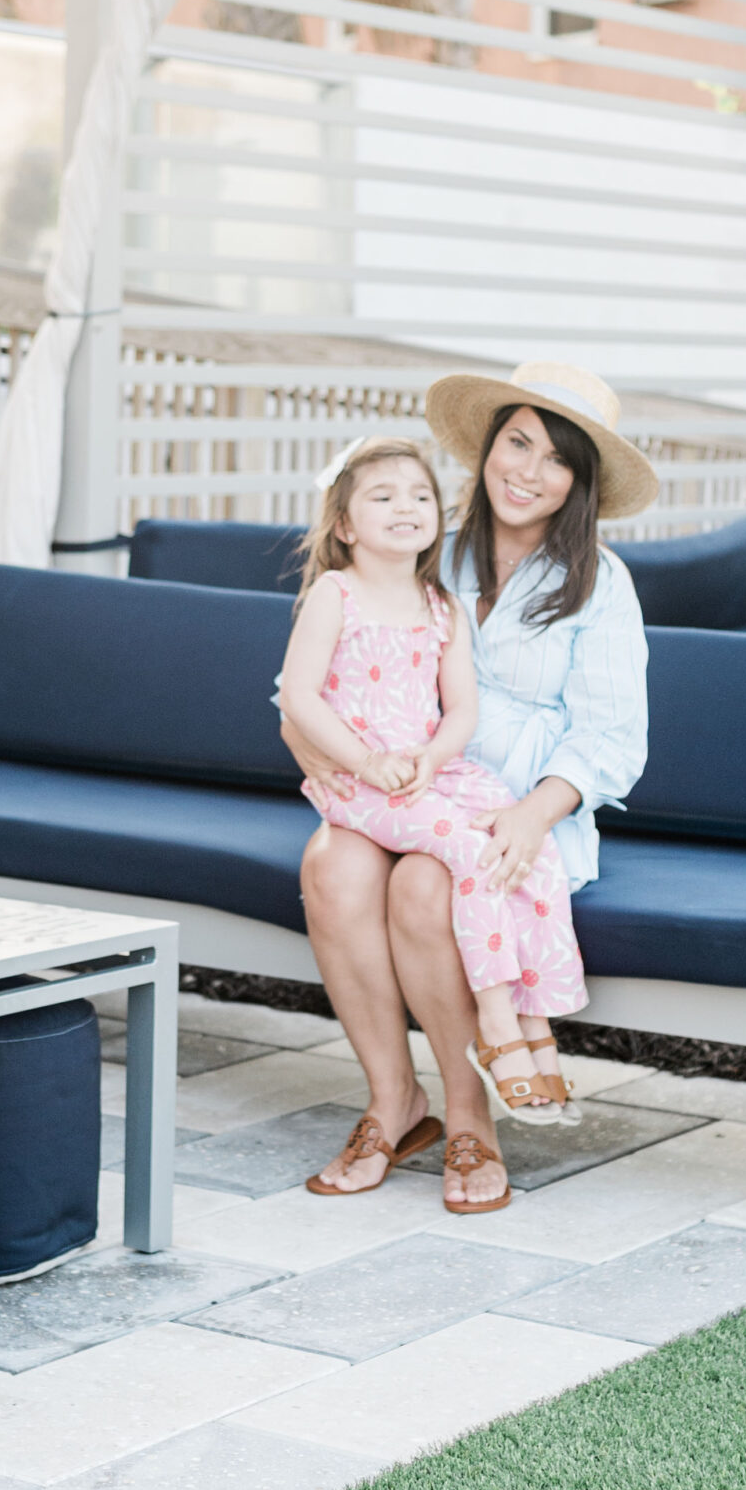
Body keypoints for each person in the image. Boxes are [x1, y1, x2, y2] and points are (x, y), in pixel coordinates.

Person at [281, 361, 654, 1215]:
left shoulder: (600, 581)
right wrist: (327, 757)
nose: (528, 470)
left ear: (580, 482)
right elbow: (306, 689)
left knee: (424, 884)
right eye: (516, 442)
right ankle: (392, 1100)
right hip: (394, 786)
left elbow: (611, 740)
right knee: (331, 865)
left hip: (522, 808)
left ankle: (465, 1109)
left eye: (556, 459)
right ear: (487, 448)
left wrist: (530, 814)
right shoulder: (423, 549)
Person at [276, 436, 585, 1173]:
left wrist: (432, 758)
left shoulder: (440, 603)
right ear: (344, 524)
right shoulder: (334, 593)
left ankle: (534, 1018)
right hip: (361, 782)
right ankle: (497, 1024)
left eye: (418, 496)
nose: (405, 508)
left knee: (517, 842)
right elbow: (296, 695)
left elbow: (461, 710)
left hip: (427, 775)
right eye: (381, 498)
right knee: (469, 850)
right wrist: (367, 761)